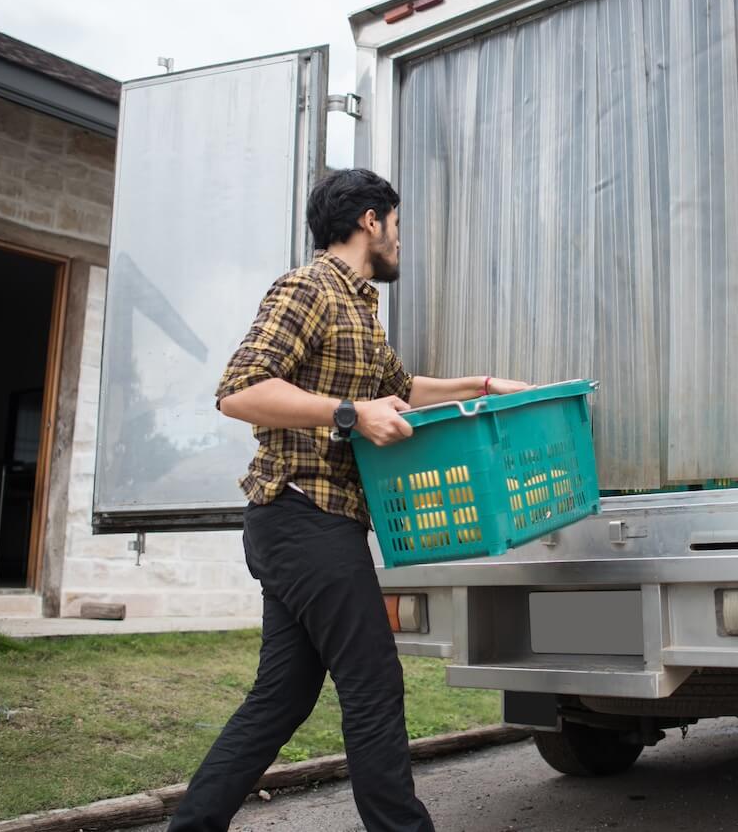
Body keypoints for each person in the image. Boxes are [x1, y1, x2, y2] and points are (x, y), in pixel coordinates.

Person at [168, 168, 527, 832]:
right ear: (372, 219)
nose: (399, 239)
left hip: (304, 523)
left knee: (282, 697)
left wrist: (482, 386)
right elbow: (239, 390)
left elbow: (402, 386)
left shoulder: (359, 307)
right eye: (397, 224)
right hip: (303, 515)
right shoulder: (307, 289)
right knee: (373, 683)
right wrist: (348, 415)